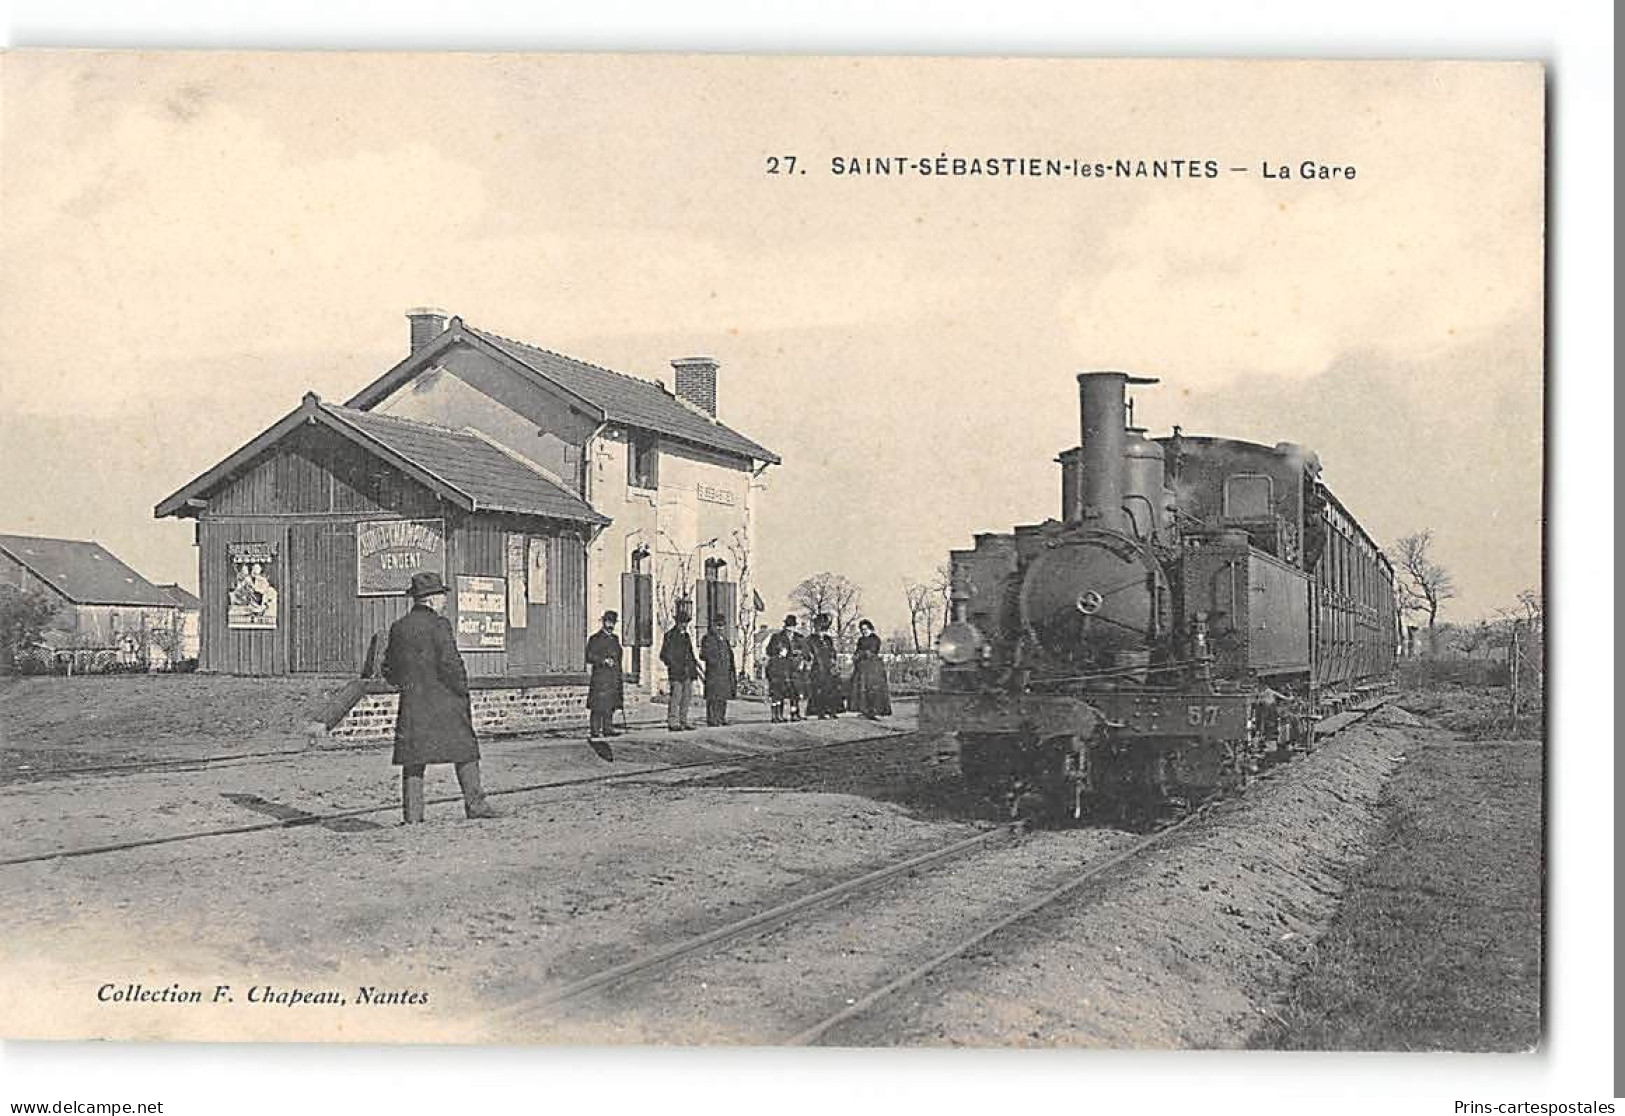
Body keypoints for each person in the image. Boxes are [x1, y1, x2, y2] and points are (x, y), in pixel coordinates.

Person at [381, 571, 500, 823]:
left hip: (414, 702)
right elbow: (451, 664)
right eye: (442, 596)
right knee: (465, 750)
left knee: (414, 758)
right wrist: (461, 689)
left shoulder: (399, 627)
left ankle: (413, 816)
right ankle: (475, 804)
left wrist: (408, 685)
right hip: (446, 702)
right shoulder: (439, 625)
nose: (444, 601)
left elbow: (388, 668)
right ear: (432, 599)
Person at [659, 607, 701, 732]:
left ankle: (684, 720)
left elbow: (691, 654)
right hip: (676, 673)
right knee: (676, 697)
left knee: (686, 698)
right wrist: (673, 665)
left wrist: (694, 666)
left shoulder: (687, 637)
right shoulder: (669, 636)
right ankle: (673, 722)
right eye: (682, 622)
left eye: (686, 623)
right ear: (677, 622)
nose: (684, 625)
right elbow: (664, 654)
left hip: (688, 672)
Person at [585, 611, 624, 742]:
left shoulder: (615, 639)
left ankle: (608, 728)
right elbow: (589, 656)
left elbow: (619, 657)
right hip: (600, 677)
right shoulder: (595, 639)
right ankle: (595, 730)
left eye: (612, 622)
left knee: (610, 703)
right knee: (598, 704)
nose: (610, 625)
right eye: (608, 622)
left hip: (613, 677)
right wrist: (603, 660)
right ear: (603, 622)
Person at [848, 618, 893, 719]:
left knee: (872, 688)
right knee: (861, 688)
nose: (864, 632)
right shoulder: (860, 640)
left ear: (870, 629)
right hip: (862, 668)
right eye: (862, 630)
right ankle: (864, 710)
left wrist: (860, 654)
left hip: (873, 668)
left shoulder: (875, 639)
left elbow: (871, 651)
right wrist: (855, 656)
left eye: (865, 629)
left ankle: (874, 710)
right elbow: (858, 650)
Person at [699, 614, 737, 727]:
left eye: (722, 625)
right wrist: (713, 661)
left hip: (725, 672)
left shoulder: (725, 640)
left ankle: (721, 717)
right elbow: (703, 654)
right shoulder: (707, 638)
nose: (720, 628)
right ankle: (712, 719)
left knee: (723, 696)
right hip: (714, 672)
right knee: (713, 697)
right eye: (718, 625)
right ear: (713, 626)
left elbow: (729, 656)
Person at [764, 615, 803, 722]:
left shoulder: (799, 638)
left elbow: (805, 652)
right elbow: (769, 651)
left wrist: (800, 655)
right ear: (785, 626)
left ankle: (794, 714)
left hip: (794, 670)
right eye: (788, 626)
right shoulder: (777, 637)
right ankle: (777, 715)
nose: (790, 629)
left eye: (792, 626)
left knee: (794, 694)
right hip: (780, 669)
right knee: (778, 693)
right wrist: (778, 651)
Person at [805, 613, 841, 720]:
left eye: (824, 630)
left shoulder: (828, 639)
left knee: (831, 689)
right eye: (820, 629)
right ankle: (820, 712)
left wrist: (834, 660)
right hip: (818, 667)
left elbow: (832, 651)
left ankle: (832, 711)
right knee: (819, 690)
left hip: (829, 667)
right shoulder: (811, 639)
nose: (822, 632)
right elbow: (808, 653)